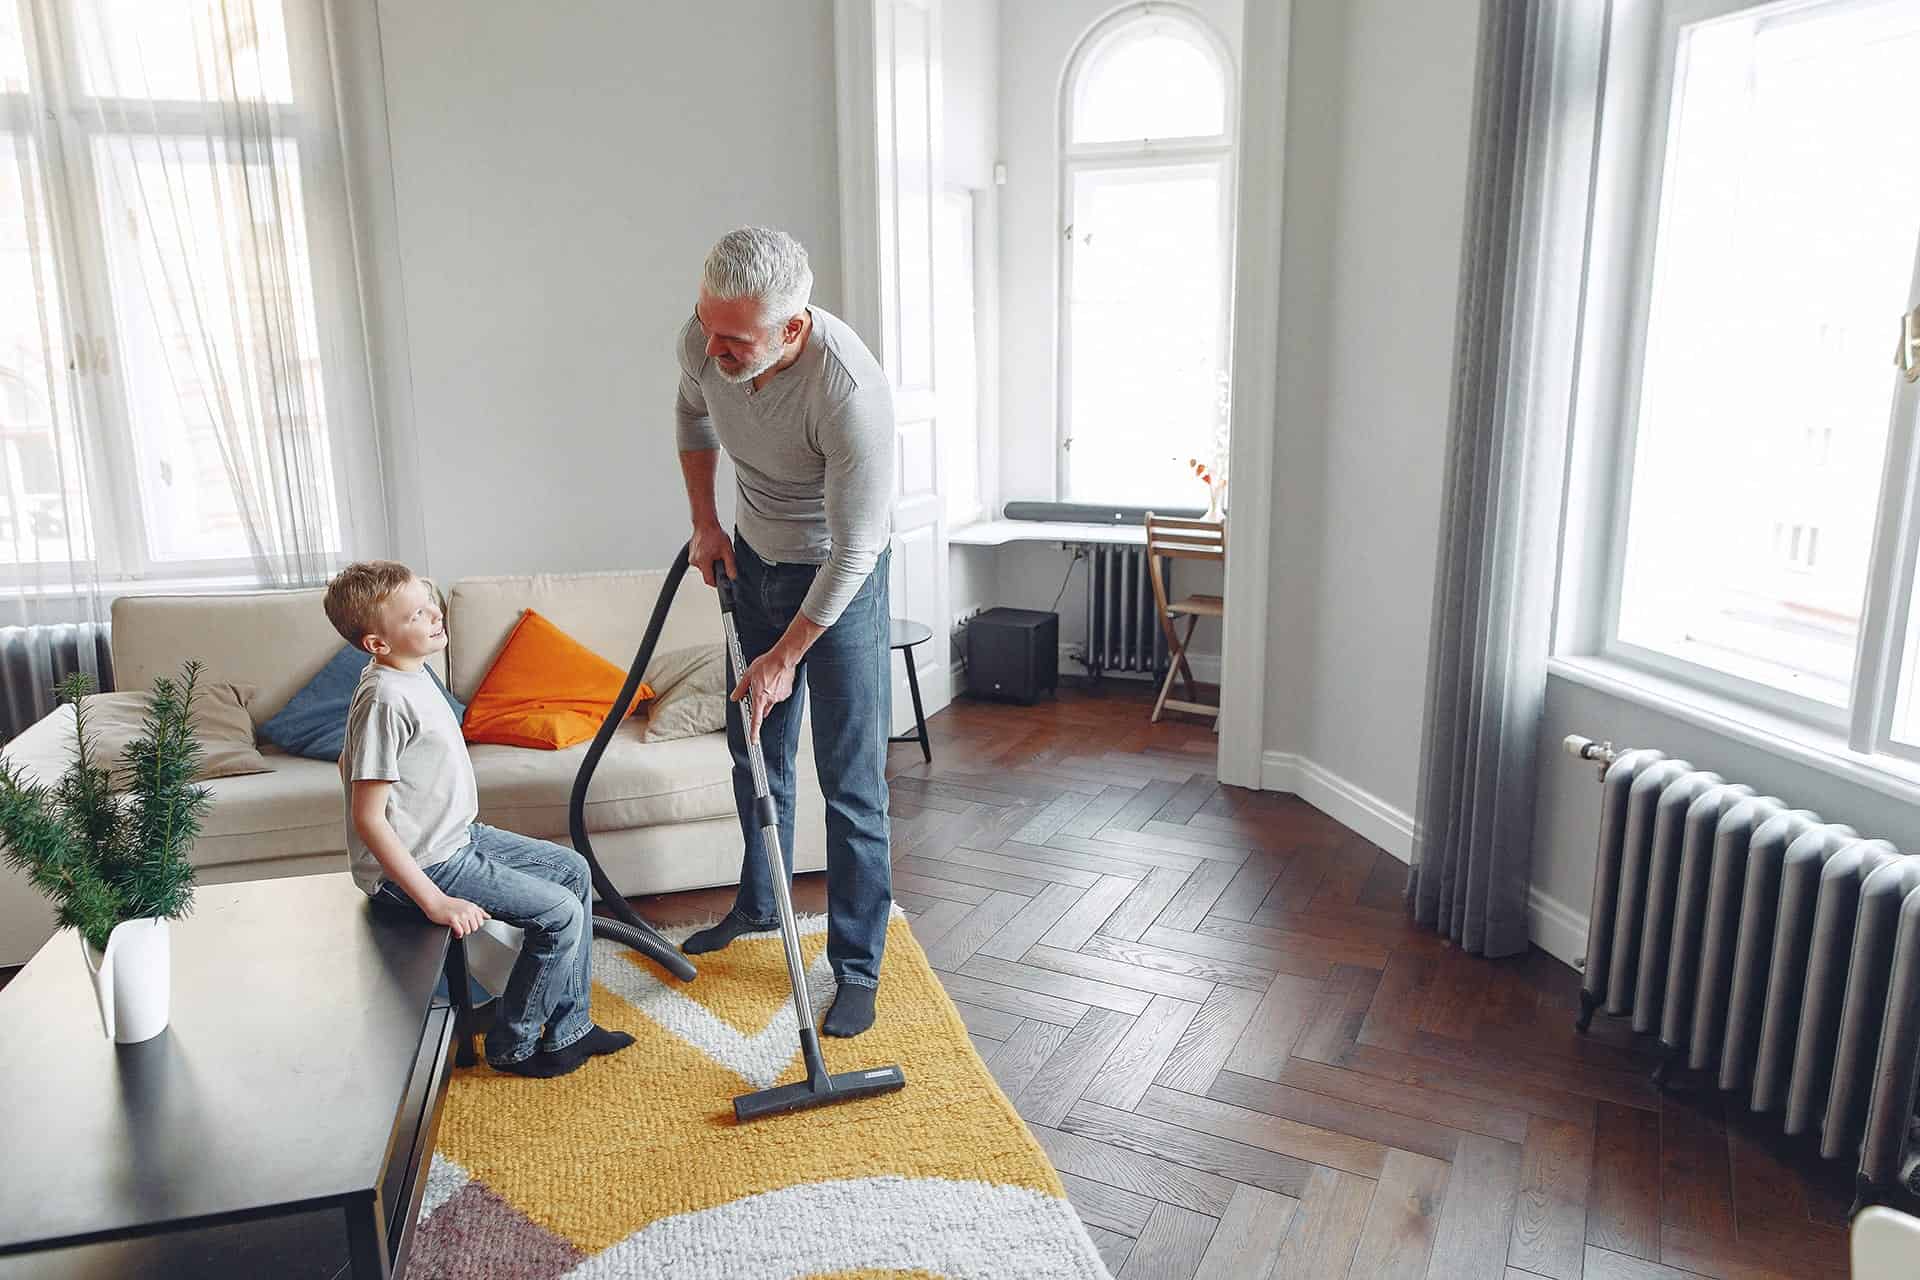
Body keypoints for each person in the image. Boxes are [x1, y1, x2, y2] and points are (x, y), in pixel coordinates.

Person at [673, 226, 896, 1038]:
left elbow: (859, 550)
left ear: (793, 329)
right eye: (708, 328)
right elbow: (693, 414)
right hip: (755, 559)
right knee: (755, 754)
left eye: (736, 340)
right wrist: (706, 522)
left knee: (850, 779)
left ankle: (859, 967)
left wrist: (783, 657)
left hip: (840, 581)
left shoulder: (848, 393)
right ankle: (761, 905)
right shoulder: (707, 337)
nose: (713, 348)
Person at [325, 560, 635, 1078]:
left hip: (455, 838)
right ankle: (512, 1044)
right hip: (425, 865)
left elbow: (349, 761)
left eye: (428, 602)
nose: (432, 615)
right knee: (560, 915)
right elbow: (368, 818)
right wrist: (435, 900)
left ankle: (569, 1028)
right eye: (414, 614)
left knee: (572, 870)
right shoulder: (383, 697)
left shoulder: (412, 670)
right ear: (377, 643)